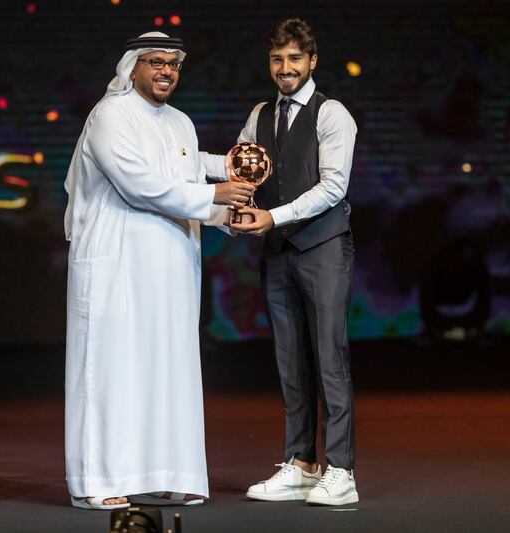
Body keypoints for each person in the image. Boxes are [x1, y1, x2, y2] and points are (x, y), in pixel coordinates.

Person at [62, 32, 254, 510]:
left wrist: (228, 217)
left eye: (173, 64)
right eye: (155, 62)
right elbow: (139, 187)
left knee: (168, 369)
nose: (166, 71)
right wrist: (216, 196)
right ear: (133, 68)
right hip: (115, 265)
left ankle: (167, 474)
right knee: (111, 372)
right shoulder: (110, 116)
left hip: (170, 266)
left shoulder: (181, 123)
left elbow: (183, 187)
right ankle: (97, 482)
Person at [229, 18, 359, 506]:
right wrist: (234, 215)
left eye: (294, 59)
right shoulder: (260, 114)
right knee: (290, 361)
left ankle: (341, 470)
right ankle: (301, 463)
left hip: (323, 248)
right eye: (277, 60)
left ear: (312, 61)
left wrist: (273, 216)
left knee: (329, 358)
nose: (285, 69)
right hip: (279, 252)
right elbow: (246, 176)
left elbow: (332, 187)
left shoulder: (332, 114)